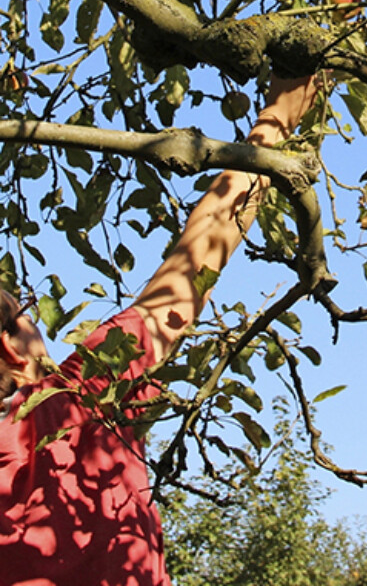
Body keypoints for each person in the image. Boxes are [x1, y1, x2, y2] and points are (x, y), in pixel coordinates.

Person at [0, 75, 318, 586]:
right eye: (26, 311)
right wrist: (277, 118)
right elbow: (186, 278)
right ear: (8, 349)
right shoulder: (76, 403)